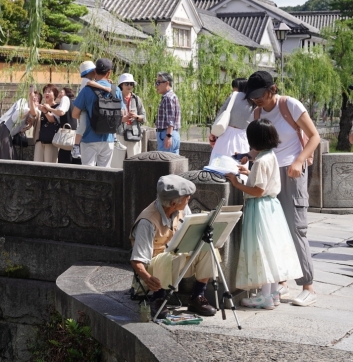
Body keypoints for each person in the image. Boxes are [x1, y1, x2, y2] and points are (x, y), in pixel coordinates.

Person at [245, 70, 320, 306]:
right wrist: (245, 158)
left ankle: (308, 286)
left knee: (297, 227)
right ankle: (281, 284)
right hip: (269, 172)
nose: (257, 100)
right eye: (253, 96)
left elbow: (314, 136)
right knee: (274, 229)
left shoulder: (291, 106)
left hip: (291, 171)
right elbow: (259, 147)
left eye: (261, 95)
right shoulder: (257, 112)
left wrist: (299, 160)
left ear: (272, 90)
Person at [225, 119, 303, 309]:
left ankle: (265, 296)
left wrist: (237, 183)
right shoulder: (270, 156)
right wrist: (249, 172)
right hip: (272, 207)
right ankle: (273, 293)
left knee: (262, 250)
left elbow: (258, 190)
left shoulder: (260, 161)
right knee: (272, 250)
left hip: (259, 207)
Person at [129, 175, 218, 319]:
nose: (189, 197)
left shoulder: (183, 208)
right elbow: (137, 260)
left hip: (179, 258)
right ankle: (158, 299)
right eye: (186, 196)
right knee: (170, 257)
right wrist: (147, 278)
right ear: (172, 203)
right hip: (156, 267)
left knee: (208, 248)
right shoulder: (147, 221)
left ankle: (197, 296)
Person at [71, 58, 120, 167]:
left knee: (88, 173)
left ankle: (75, 147)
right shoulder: (116, 90)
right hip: (109, 138)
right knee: (106, 173)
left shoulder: (86, 90)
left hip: (89, 137)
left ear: (95, 71)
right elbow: (122, 113)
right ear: (109, 73)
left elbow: (74, 114)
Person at [208, 78, 252, 164]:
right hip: (243, 137)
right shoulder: (253, 101)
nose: (233, 89)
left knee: (218, 164)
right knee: (238, 166)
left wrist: (213, 133)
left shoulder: (234, 96)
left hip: (226, 134)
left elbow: (221, 114)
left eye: (235, 87)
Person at [70, 60, 97, 161]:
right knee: (82, 127)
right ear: (92, 71)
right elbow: (93, 84)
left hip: (85, 109)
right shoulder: (87, 81)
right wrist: (105, 86)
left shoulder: (89, 81)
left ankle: (77, 146)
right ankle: (76, 146)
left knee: (83, 126)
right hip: (84, 109)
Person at [33, 85, 66, 163]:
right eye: (45, 92)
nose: (46, 93)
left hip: (51, 140)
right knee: (37, 165)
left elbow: (52, 120)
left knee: (49, 165)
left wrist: (46, 110)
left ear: (54, 94)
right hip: (40, 139)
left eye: (49, 91)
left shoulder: (57, 107)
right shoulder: (41, 107)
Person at [116, 73, 146, 159]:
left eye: (131, 84)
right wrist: (122, 119)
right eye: (126, 83)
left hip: (134, 133)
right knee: (116, 164)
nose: (129, 86)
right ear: (121, 85)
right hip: (119, 133)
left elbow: (144, 116)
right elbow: (111, 117)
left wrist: (136, 116)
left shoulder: (136, 99)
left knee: (134, 162)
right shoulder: (116, 98)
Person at [155, 72, 181, 154]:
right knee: (174, 164)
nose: (156, 85)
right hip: (173, 134)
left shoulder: (168, 97)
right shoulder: (172, 96)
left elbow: (171, 119)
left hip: (166, 134)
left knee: (164, 164)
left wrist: (168, 136)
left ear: (167, 83)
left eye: (158, 82)